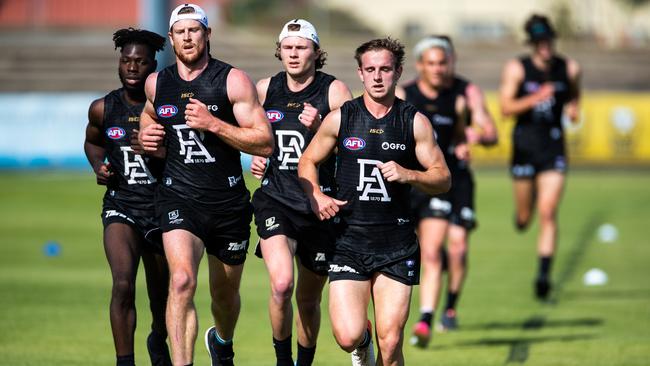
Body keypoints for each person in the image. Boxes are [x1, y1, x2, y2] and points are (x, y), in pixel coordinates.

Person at [298, 37, 450, 366]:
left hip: (396, 243)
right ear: (360, 74)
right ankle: (362, 344)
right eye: (371, 70)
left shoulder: (414, 121)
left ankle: (378, 346)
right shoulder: (341, 118)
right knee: (347, 336)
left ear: (398, 73)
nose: (377, 76)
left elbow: (443, 177)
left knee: (392, 341)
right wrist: (316, 195)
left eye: (385, 69)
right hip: (348, 241)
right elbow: (307, 162)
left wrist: (411, 174)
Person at [137, 4, 274, 365]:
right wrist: (146, 135)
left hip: (227, 203)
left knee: (224, 296)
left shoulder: (233, 81)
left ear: (207, 34)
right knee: (181, 282)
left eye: (194, 30)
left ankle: (223, 341)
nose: (187, 37)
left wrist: (214, 124)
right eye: (180, 31)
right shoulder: (157, 83)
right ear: (171, 38)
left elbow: (264, 142)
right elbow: (149, 116)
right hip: (178, 197)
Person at [250, 19, 352, 366]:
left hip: (319, 205)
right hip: (276, 199)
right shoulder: (265, 89)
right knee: (281, 286)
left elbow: (355, 149)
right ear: (280, 51)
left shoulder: (334, 91)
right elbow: (255, 134)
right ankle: (282, 362)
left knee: (309, 301)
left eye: (302, 47)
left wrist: (322, 124)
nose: (294, 54)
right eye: (288, 47)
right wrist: (258, 156)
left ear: (316, 52)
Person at [398, 35, 498, 347]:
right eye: (432, 63)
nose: (439, 69)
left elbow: (490, 131)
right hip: (420, 181)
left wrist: (475, 139)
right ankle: (427, 313)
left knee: (456, 248)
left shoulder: (465, 93)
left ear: (451, 62)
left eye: (443, 62)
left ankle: (448, 307)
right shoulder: (405, 94)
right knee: (430, 251)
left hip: (456, 180)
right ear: (420, 66)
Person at [83, 28, 171, 366]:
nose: (132, 67)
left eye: (141, 62)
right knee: (122, 283)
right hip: (122, 207)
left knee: (161, 295)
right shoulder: (103, 109)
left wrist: (158, 151)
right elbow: (93, 142)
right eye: (126, 61)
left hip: (164, 210)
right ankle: (125, 361)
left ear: (154, 65)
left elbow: (189, 158)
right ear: (119, 64)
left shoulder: (167, 107)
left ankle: (160, 337)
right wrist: (98, 166)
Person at [499, 14, 581, 300]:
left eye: (548, 41)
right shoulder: (518, 68)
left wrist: (572, 108)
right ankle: (523, 213)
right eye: (539, 42)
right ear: (532, 44)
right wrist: (536, 98)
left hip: (553, 147)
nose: (544, 47)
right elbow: (506, 108)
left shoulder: (568, 68)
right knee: (525, 217)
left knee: (548, 211)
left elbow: (573, 94)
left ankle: (543, 275)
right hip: (524, 146)